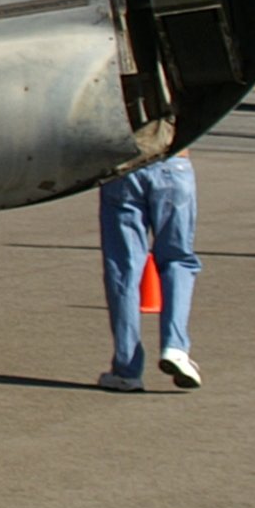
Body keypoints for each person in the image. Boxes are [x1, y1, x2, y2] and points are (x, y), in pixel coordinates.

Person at [96, 152, 200, 391]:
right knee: (177, 260)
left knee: (123, 269)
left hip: (124, 164)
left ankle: (127, 367)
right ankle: (175, 346)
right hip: (174, 163)